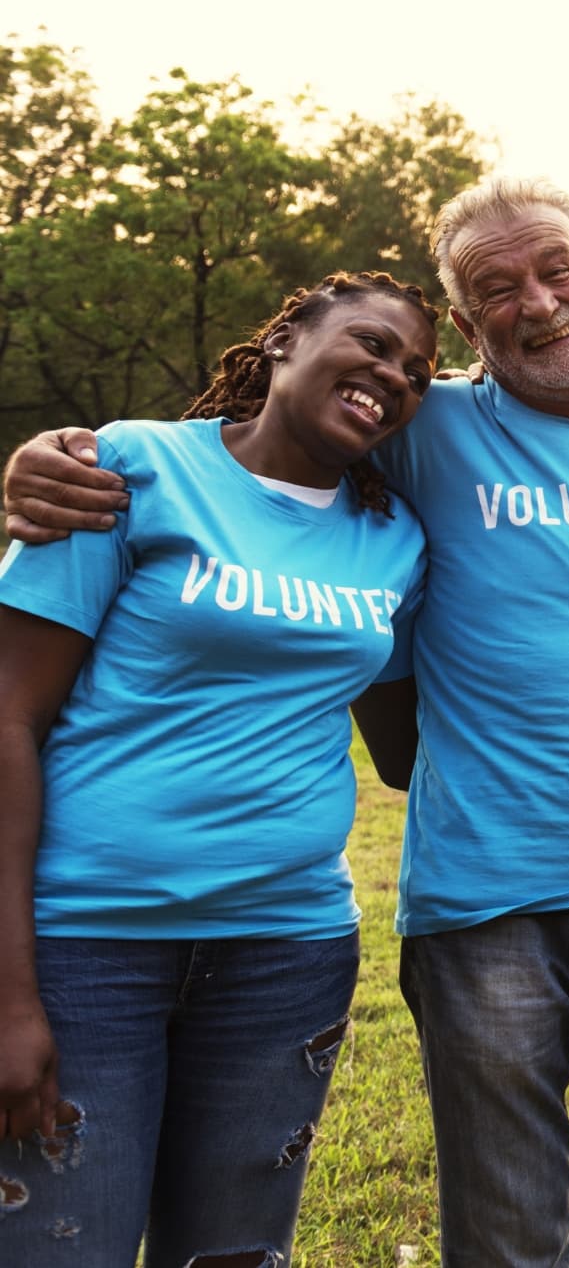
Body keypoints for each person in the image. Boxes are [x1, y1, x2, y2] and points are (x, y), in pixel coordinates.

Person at [4, 173, 569, 1267]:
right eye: (496, 288)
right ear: (469, 328)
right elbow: (264, 440)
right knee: (505, 1238)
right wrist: (49, 459)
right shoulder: (418, 426)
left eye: (557, 270)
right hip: (482, 903)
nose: (538, 303)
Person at [0, 272, 437, 1267]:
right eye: (371, 344)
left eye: (417, 372)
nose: (393, 375)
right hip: (87, 949)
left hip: (286, 954)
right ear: (285, 338)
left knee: (231, 1257)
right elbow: (7, 718)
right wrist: (8, 996)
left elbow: (408, 751)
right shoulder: (131, 469)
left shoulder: (393, 538)